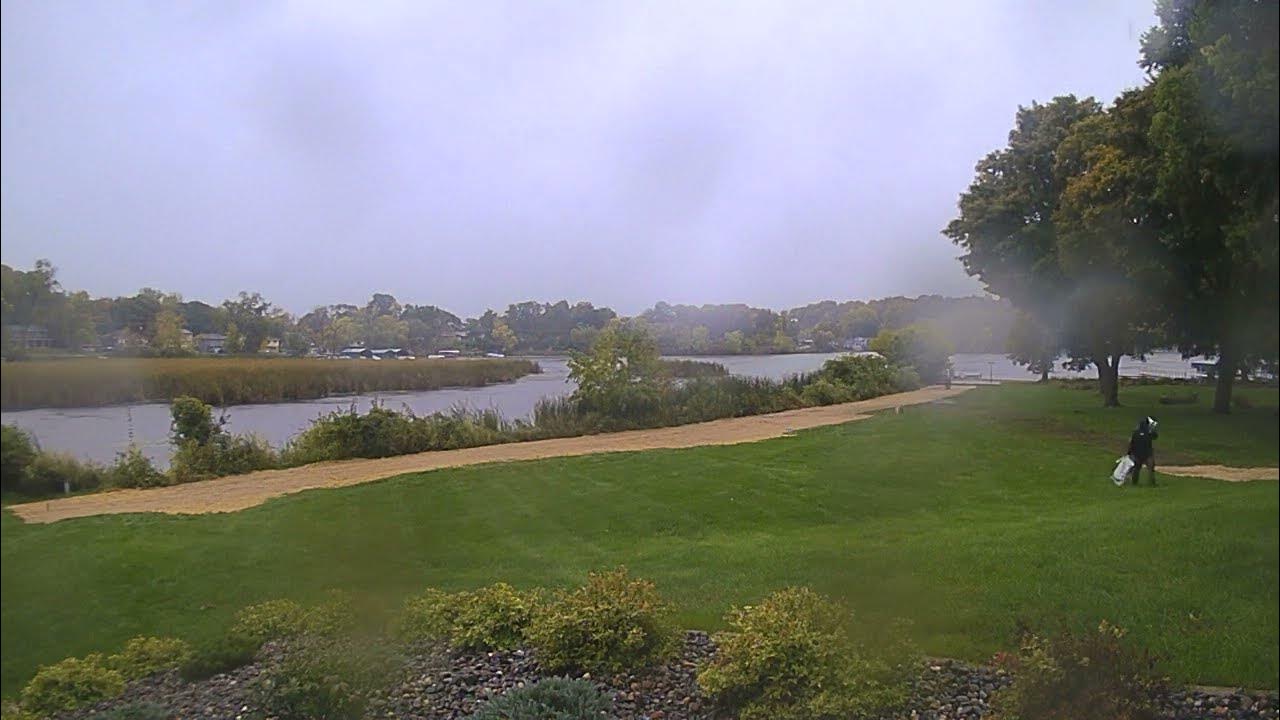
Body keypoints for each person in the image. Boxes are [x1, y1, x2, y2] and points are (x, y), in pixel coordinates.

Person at [1126, 416, 1159, 485]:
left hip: (1139, 454)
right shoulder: (1147, 433)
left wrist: (1129, 453)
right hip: (1146, 453)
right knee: (1149, 468)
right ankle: (1152, 483)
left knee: (1137, 469)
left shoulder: (1136, 433)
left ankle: (1135, 483)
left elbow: (1131, 443)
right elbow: (1155, 436)